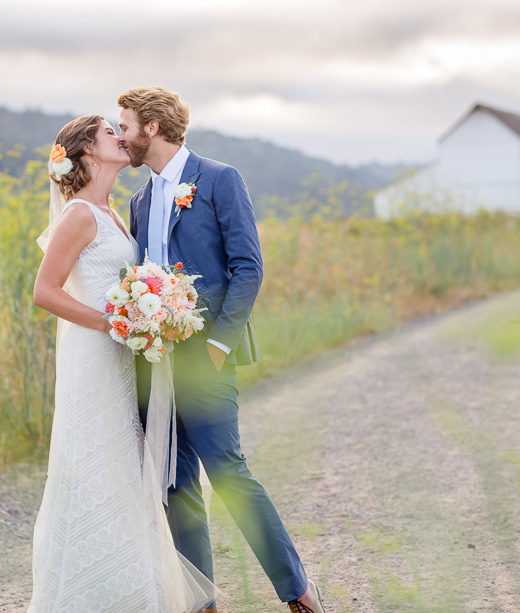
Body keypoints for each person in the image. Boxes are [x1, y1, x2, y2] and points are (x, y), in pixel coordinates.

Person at [118, 86, 325, 613]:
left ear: (154, 129)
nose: (121, 136)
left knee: (229, 473)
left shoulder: (218, 179)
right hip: (155, 364)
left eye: (126, 125)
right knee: (176, 482)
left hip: (206, 355)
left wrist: (218, 344)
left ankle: (297, 590)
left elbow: (247, 267)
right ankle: (201, 601)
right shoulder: (139, 201)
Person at [29, 114, 215, 612]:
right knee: (94, 459)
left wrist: (147, 314)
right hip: (92, 354)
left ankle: (129, 587)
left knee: (123, 465)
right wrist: (113, 323)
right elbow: (44, 292)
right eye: (111, 132)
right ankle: (87, 590)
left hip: (118, 355)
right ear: (88, 151)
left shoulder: (111, 212)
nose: (122, 137)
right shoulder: (77, 216)